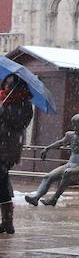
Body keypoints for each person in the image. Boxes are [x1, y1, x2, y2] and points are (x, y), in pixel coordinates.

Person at [25, 114, 79, 206]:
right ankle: (36, 197)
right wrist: (47, 148)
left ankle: (54, 199)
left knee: (67, 172)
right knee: (48, 176)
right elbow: (60, 143)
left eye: (77, 125)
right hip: (70, 164)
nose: (75, 128)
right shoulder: (70, 135)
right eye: (74, 125)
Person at [0, 75, 34, 234]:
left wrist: (3, 111)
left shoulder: (24, 104)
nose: (7, 86)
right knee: (2, 183)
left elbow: (18, 122)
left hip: (8, 149)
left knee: (2, 180)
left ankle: (8, 221)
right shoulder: (3, 99)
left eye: (10, 84)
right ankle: (7, 221)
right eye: (6, 83)